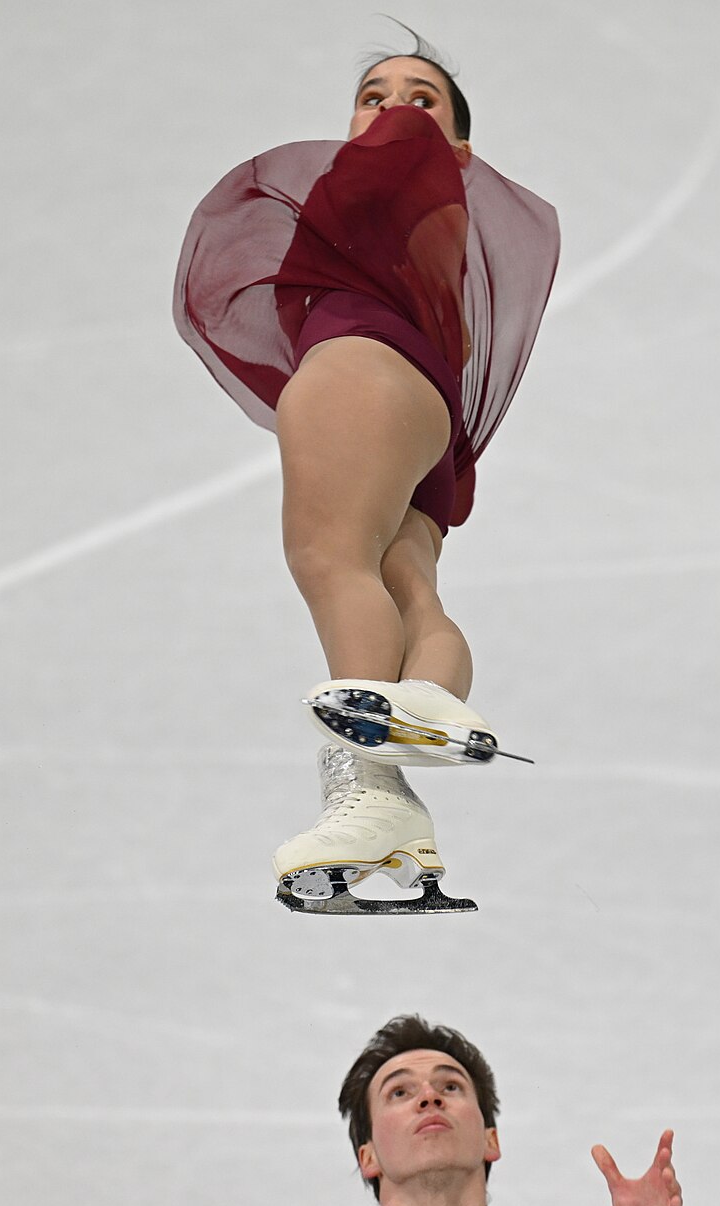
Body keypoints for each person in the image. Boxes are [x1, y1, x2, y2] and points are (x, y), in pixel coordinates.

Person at [173, 29, 560, 914]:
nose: (392, 111)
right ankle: (423, 720)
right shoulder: (445, 219)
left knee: (329, 559)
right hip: (425, 408)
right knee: (408, 586)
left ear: (460, 145)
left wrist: (381, 137)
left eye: (421, 98)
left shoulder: (395, 167)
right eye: (373, 95)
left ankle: (368, 795)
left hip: (358, 366)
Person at [182, 1015, 720, 1206]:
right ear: (367, 1155)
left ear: (490, 1139)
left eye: (450, 1086)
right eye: (400, 1092)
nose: (428, 1097)